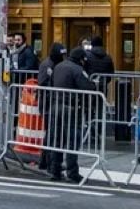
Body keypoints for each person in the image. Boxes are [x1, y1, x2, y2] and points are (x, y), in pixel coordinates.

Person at [48, 48, 98, 183]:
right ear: (81, 59)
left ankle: (55, 170)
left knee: (56, 141)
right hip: (71, 108)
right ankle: (72, 172)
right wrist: (94, 84)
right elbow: (87, 87)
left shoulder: (58, 67)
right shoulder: (77, 70)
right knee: (72, 141)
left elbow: (51, 83)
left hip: (56, 106)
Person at [37, 43, 66, 173]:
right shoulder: (47, 65)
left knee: (51, 133)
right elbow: (43, 82)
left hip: (53, 103)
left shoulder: (57, 65)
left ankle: (45, 161)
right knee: (51, 133)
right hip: (48, 103)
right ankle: (48, 162)